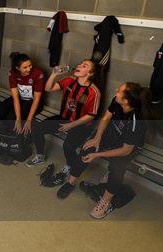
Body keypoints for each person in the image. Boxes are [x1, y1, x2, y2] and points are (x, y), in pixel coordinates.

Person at [58, 83, 156, 219]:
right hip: (113, 135)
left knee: (117, 168)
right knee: (88, 148)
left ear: (126, 101)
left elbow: (126, 150)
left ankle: (106, 202)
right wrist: (97, 138)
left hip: (127, 147)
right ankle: (70, 182)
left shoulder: (136, 121)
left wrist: (97, 154)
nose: (116, 90)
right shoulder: (117, 101)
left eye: (119, 90)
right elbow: (105, 118)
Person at [27, 59, 101, 186]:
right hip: (63, 118)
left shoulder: (94, 91)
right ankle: (40, 156)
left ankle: (70, 166)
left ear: (90, 73)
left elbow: (91, 116)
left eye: (84, 66)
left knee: (68, 146)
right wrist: (54, 74)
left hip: (80, 124)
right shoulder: (69, 80)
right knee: (38, 128)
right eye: (80, 63)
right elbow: (48, 88)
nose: (79, 65)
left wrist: (71, 125)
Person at [0, 52, 44, 135]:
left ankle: (17, 137)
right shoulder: (12, 73)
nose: (29, 69)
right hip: (20, 98)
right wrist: (18, 118)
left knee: (11, 117)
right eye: (25, 67)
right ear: (17, 68)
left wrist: (29, 120)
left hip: (33, 101)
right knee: (0, 110)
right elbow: (15, 97)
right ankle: (7, 129)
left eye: (30, 66)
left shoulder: (38, 74)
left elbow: (37, 99)